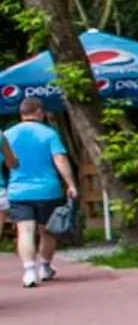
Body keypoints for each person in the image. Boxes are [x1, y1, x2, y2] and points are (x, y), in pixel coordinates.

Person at [5, 95, 78, 288]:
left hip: (18, 191)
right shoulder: (49, 133)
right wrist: (70, 183)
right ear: (39, 112)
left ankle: (29, 272)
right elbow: (60, 160)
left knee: (25, 231)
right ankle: (45, 267)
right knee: (48, 231)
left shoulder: (8, 134)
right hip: (48, 190)